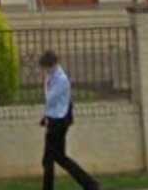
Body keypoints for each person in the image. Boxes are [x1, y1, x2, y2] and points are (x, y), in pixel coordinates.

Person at [39, 50, 99, 190]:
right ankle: (90, 184)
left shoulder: (61, 79)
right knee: (52, 158)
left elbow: (50, 99)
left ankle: (90, 184)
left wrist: (47, 114)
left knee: (56, 158)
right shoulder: (51, 77)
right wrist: (45, 116)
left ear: (52, 64)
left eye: (46, 67)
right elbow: (51, 102)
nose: (45, 70)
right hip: (54, 119)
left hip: (59, 122)